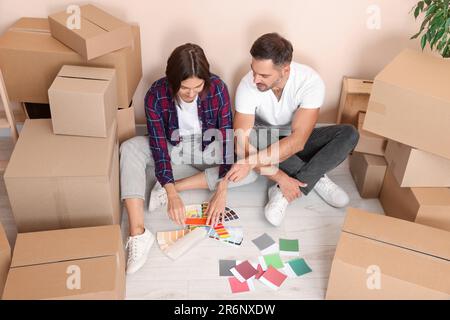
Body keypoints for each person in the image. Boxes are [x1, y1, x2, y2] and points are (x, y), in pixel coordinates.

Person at [119, 43, 257, 274]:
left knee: (251, 170)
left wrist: (222, 187)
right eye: (184, 89)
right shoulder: (155, 94)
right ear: (172, 81)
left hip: (207, 147)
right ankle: (138, 234)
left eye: (198, 87)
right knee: (130, 148)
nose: (192, 94)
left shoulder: (218, 89)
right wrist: (171, 193)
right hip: (173, 147)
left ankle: (173, 186)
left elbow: (225, 139)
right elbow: (158, 144)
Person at [227, 33, 359, 227]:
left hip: (293, 141)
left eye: (264, 75)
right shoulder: (248, 85)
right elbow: (240, 143)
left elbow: (298, 141)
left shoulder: (310, 81)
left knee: (349, 134)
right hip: (265, 140)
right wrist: (279, 176)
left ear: (285, 70)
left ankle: (282, 192)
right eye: (253, 70)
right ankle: (313, 177)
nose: (255, 79)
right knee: (254, 139)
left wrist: (249, 163)